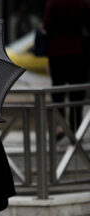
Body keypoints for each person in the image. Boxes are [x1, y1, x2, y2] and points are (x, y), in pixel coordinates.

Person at [42, 0, 90, 140]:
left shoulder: (53, 3)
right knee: (77, 94)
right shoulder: (82, 2)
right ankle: (77, 128)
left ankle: (61, 125)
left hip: (57, 54)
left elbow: (47, 26)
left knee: (58, 91)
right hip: (78, 53)